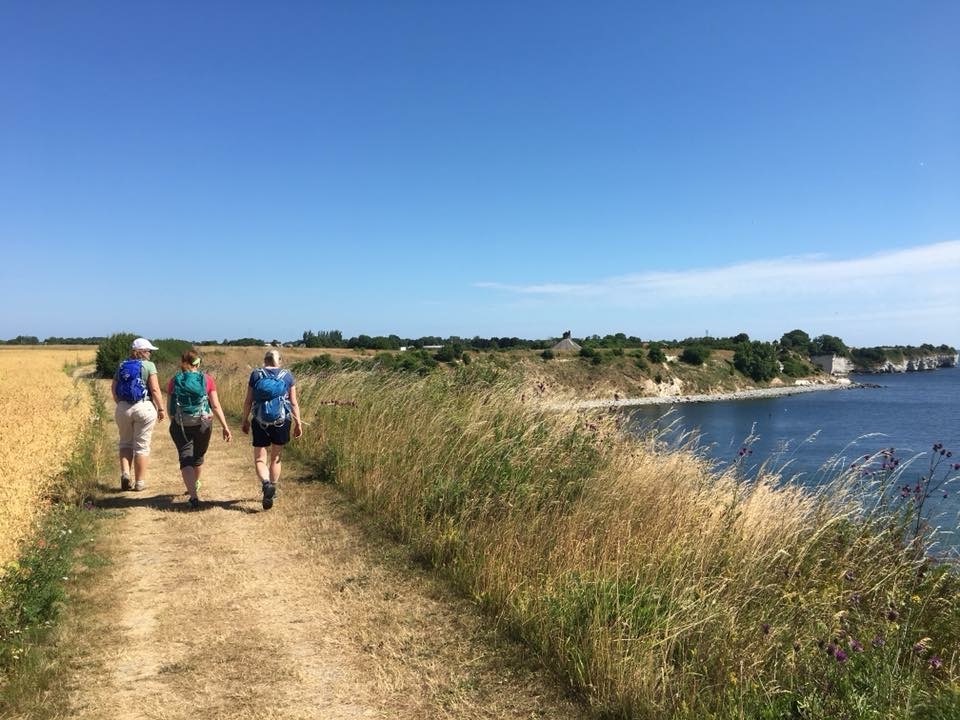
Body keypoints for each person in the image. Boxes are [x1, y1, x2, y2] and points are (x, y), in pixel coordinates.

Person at [167, 349, 232, 509]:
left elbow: (170, 408)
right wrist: (225, 426)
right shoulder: (207, 379)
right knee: (198, 456)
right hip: (204, 422)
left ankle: (193, 496)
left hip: (181, 423)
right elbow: (215, 405)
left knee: (185, 457)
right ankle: (194, 485)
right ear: (197, 363)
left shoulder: (174, 381)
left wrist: (176, 422)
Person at [240, 349, 302, 510]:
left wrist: (245, 420)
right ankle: (272, 488)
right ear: (279, 361)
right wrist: (298, 423)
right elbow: (293, 403)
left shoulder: (256, 375)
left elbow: (248, 401)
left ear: (265, 360)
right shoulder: (287, 376)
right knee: (276, 457)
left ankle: (266, 484)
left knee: (260, 458)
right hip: (282, 421)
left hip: (260, 421)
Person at [112, 337, 165, 491]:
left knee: (125, 443)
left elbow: (113, 388)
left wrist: (121, 404)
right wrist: (161, 408)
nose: (150, 354)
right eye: (148, 351)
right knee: (142, 446)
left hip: (123, 407)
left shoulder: (122, 365)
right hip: (144, 406)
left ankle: (126, 474)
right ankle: (140, 482)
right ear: (142, 352)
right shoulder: (149, 366)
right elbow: (154, 389)